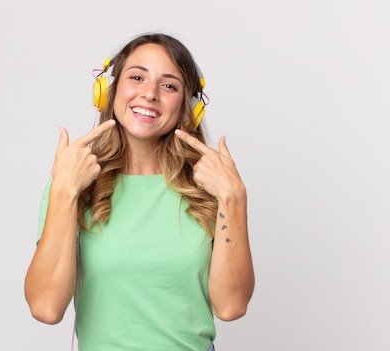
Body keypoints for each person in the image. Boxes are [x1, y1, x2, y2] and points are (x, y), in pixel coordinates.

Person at [24, 32, 255, 351]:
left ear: (189, 107)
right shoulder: (73, 182)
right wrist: (64, 190)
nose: (149, 94)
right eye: (137, 77)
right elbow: (45, 308)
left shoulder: (213, 187)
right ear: (108, 90)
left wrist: (234, 197)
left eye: (169, 85)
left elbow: (231, 307)